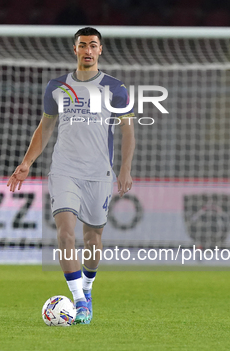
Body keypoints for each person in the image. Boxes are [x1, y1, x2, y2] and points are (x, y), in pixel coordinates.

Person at [7, 27, 135, 324]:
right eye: (82, 45)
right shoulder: (57, 86)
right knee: (65, 234)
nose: (88, 50)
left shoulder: (116, 88)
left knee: (93, 239)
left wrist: (125, 168)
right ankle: (79, 302)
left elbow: (128, 130)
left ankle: (87, 289)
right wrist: (27, 162)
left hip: (99, 172)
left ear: (100, 50)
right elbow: (46, 127)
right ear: (74, 49)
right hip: (64, 170)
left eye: (93, 45)